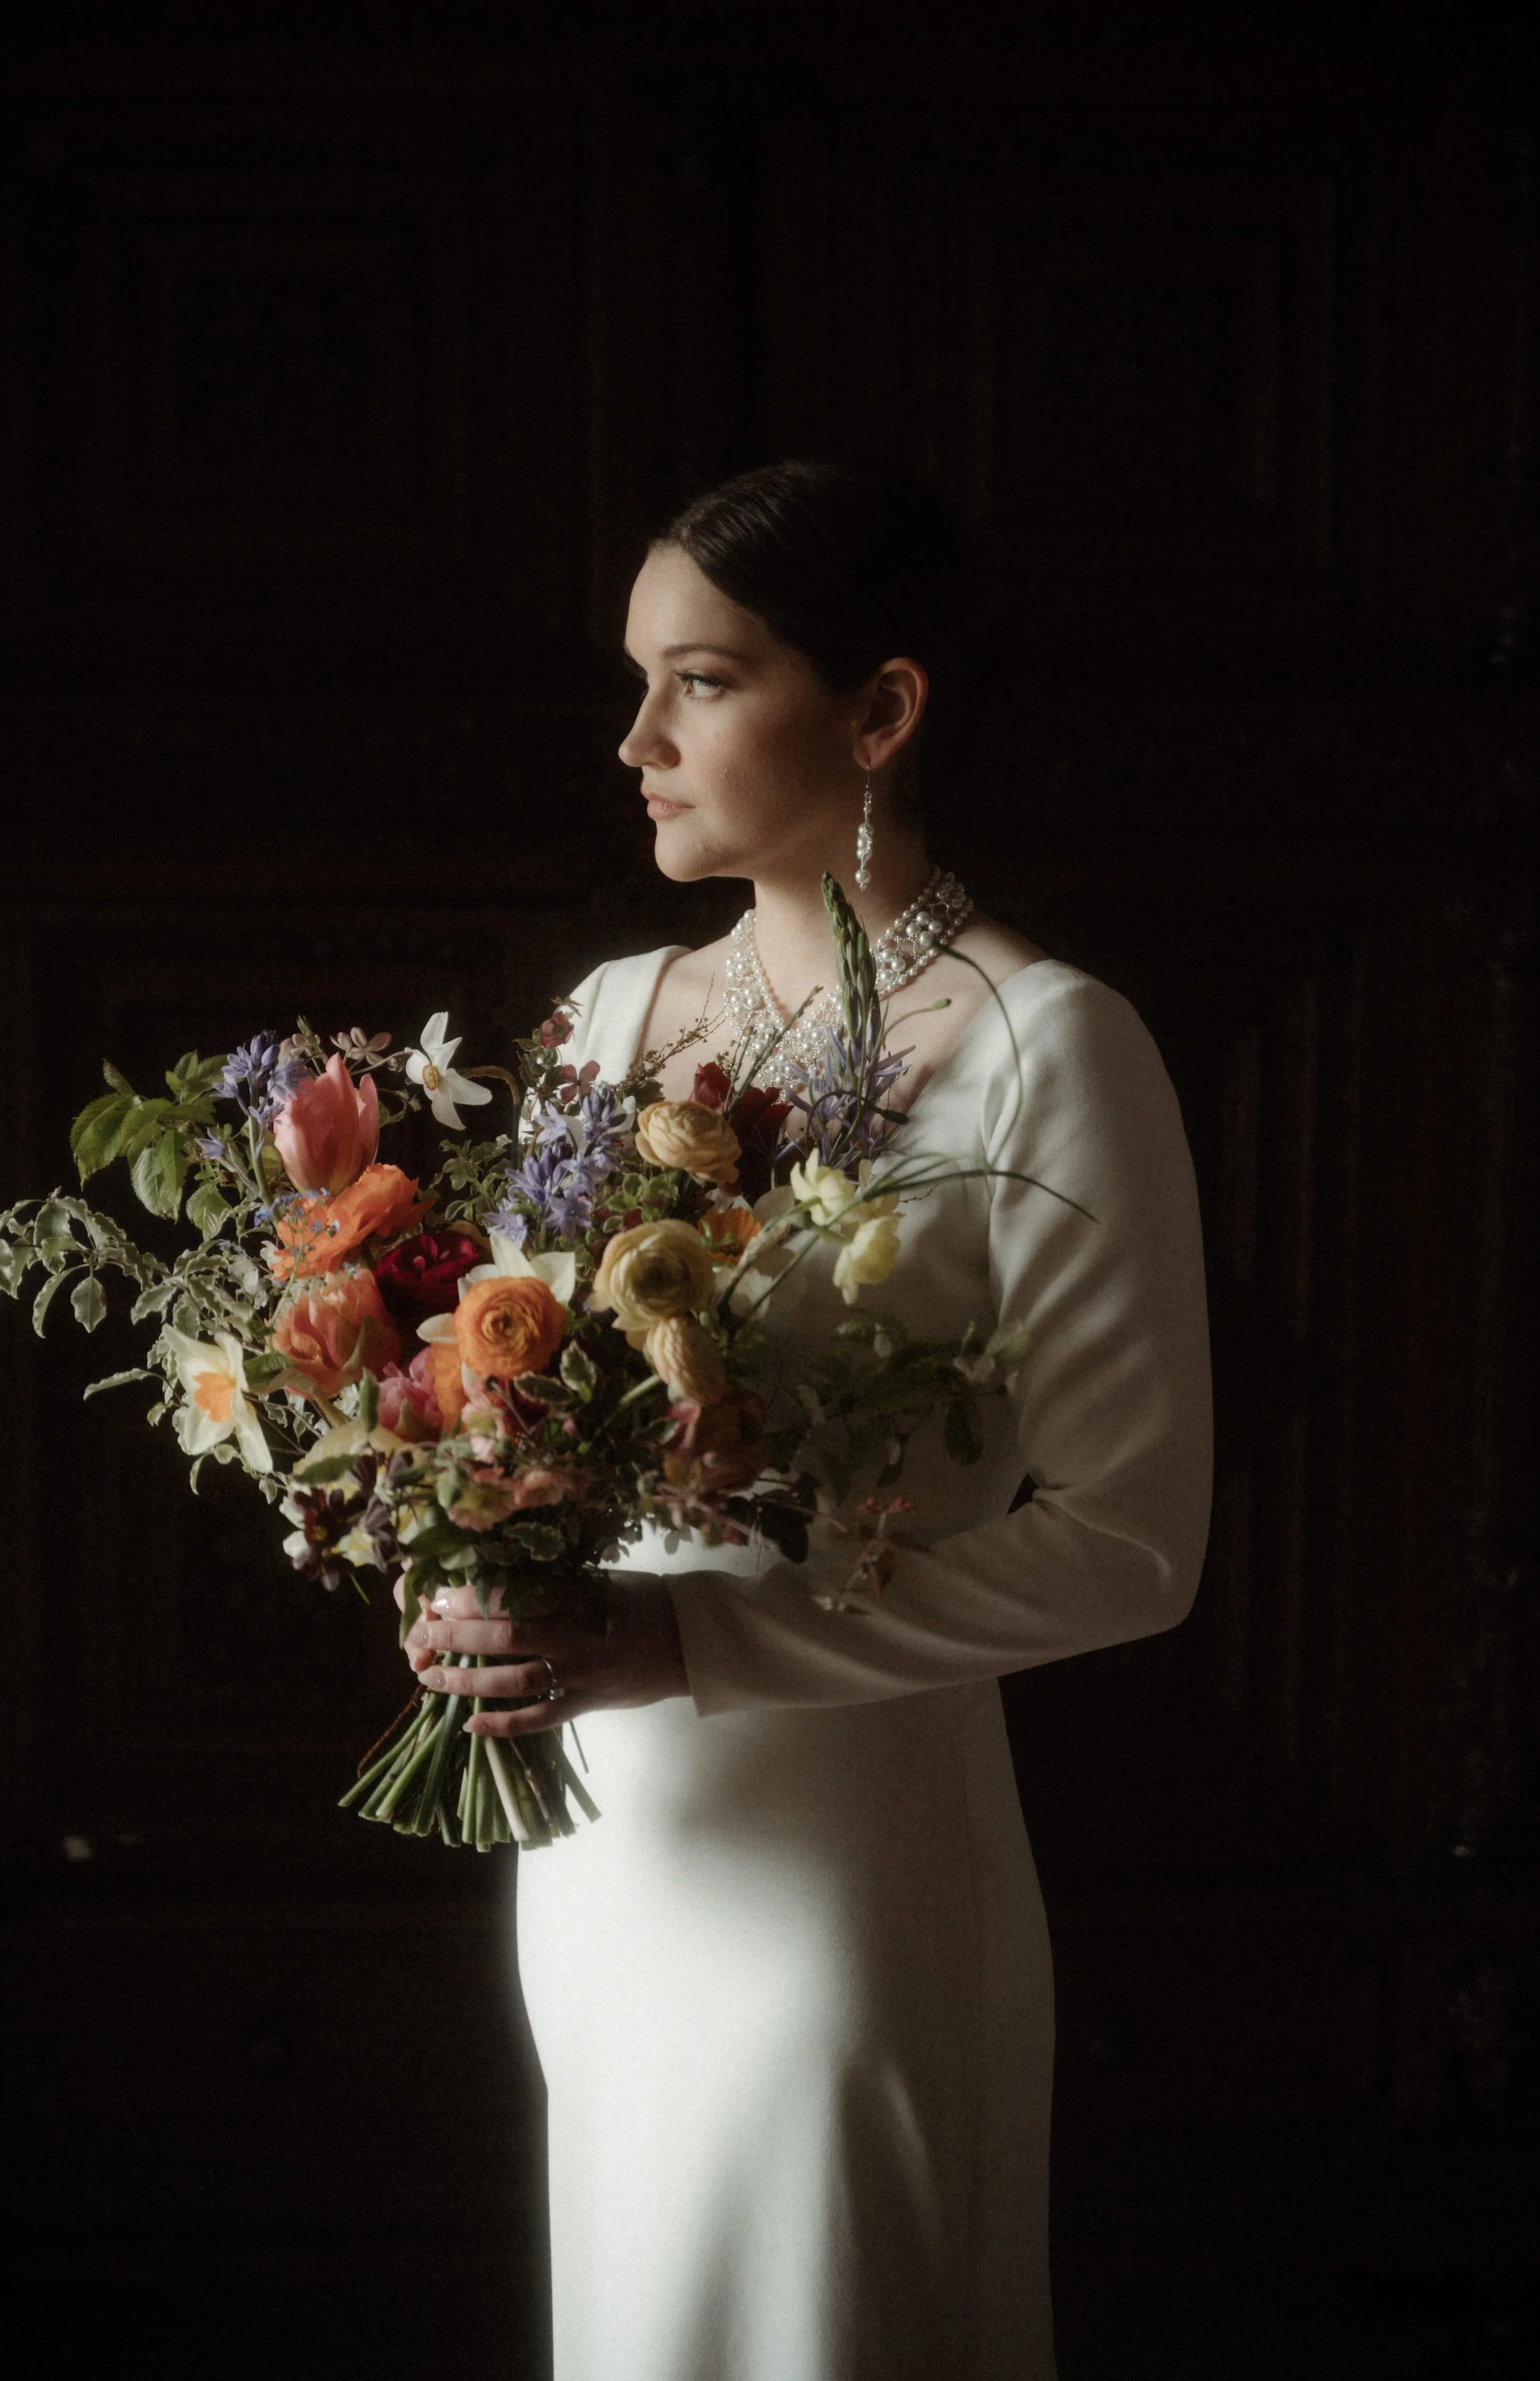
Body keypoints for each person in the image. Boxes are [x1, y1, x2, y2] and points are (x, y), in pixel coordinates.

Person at [403, 459, 1214, 2380]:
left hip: (852, 1868)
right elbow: (496, 1411)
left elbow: (1133, 1539)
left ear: (878, 710)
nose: (635, 739)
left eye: (697, 681)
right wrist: (445, 1556)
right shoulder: (608, 1023)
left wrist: (687, 1638)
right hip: (609, 1864)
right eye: (638, 680)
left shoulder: (1046, 1045)